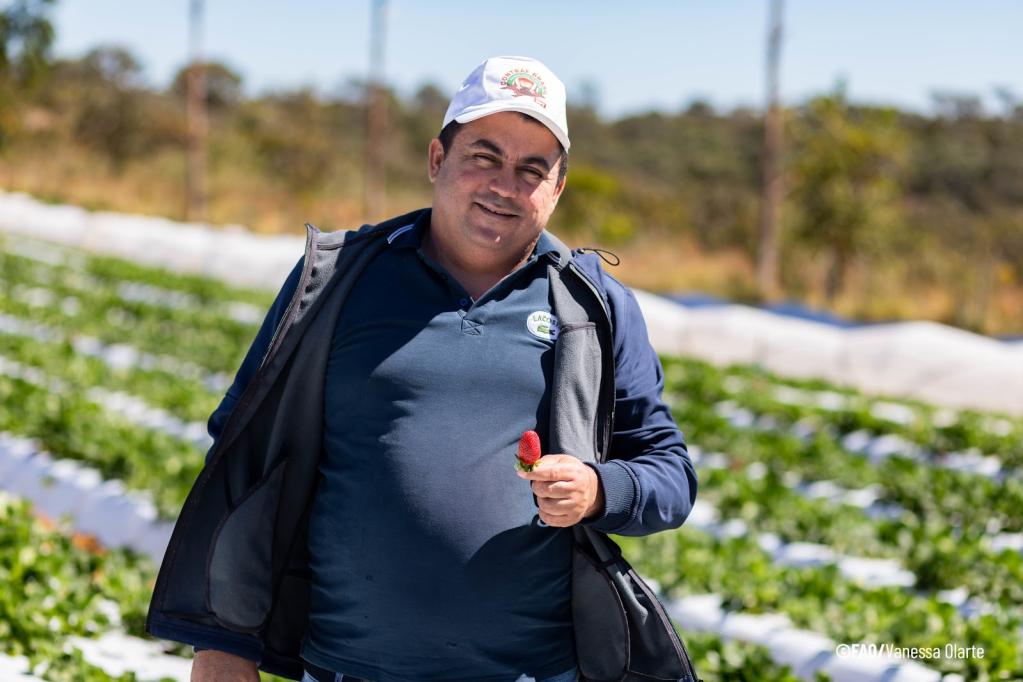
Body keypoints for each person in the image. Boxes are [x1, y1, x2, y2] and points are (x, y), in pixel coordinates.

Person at [146, 55, 697, 682]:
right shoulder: (337, 283)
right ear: (438, 160)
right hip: (346, 669)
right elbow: (244, 463)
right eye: (483, 157)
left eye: (530, 170)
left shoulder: (591, 308)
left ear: (556, 189)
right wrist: (221, 647)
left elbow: (670, 474)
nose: (503, 186)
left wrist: (602, 489)